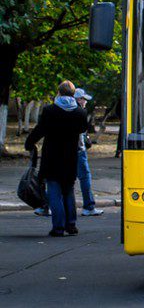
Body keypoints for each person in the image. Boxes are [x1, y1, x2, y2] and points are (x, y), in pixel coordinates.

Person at [25, 81, 90, 237]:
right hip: (70, 157)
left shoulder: (50, 110)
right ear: (73, 94)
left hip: (52, 157)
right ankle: (71, 225)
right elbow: (82, 129)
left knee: (54, 192)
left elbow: (40, 130)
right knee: (68, 191)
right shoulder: (80, 113)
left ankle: (58, 227)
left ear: (59, 93)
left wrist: (29, 143)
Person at [74, 88, 103, 216]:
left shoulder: (63, 110)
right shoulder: (80, 112)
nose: (85, 102)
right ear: (78, 99)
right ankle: (89, 206)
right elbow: (82, 131)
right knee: (85, 177)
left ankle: (48, 205)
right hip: (79, 150)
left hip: (65, 151)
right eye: (84, 99)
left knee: (61, 179)